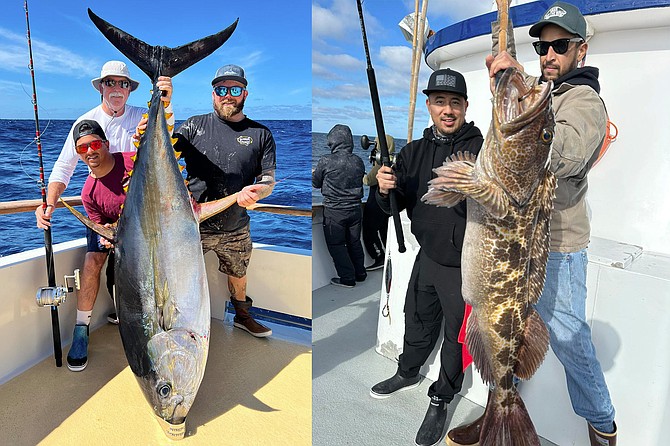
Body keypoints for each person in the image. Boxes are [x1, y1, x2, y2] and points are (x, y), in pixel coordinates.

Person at [446, 3, 617, 446]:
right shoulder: (541, 92)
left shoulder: (584, 101)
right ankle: (497, 414)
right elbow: (514, 125)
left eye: (560, 45)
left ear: (581, 50)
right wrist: (504, 71)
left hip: (556, 246)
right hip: (513, 239)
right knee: (501, 330)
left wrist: (528, 110)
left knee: (567, 338)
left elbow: (569, 152)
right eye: (543, 46)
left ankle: (603, 427)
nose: (548, 54)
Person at [373, 68, 484, 446]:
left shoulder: (481, 150)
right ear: (429, 106)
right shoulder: (413, 152)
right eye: (440, 102)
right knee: (416, 318)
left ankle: (441, 398)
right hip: (427, 258)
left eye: (455, 102)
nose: (447, 110)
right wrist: (383, 187)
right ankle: (407, 371)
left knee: (456, 338)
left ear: (466, 106)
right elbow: (392, 206)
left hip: (466, 266)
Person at [35, 61, 173, 325]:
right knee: (93, 261)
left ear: (130, 90)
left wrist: (164, 102)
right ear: (101, 88)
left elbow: (166, 135)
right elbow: (64, 166)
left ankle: (152, 314)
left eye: (123, 83)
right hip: (103, 204)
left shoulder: (142, 117)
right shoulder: (86, 121)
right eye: (110, 82)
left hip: (142, 206)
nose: (117, 88)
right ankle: (82, 326)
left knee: (154, 261)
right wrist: (49, 203)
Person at [174, 64, 275, 338]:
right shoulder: (194, 126)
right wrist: (162, 103)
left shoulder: (260, 134)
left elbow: (268, 179)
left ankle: (243, 316)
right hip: (192, 225)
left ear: (245, 93)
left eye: (234, 89)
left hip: (236, 225)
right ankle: (178, 323)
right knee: (180, 279)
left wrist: (258, 192)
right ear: (212, 94)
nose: (227, 95)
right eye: (221, 89)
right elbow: (164, 153)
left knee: (239, 276)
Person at [64, 119, 134, 371]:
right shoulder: (88, 193)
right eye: (82, 148)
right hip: (114, 231)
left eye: (94, 144)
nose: (90, 151)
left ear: (105, 144)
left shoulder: (131, 160)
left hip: (142, 229)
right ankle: (81, 330)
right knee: (92, 262)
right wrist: (108, 235)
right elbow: (99, 224)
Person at [312, 124, 367, 288]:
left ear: (332, 141)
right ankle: (360, 273)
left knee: (337, 245)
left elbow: (316, 183)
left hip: (335, 211)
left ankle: (347, 278)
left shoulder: (326, 161)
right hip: (356, 210)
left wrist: (316, 173)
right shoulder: (358, 160)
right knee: (354, 242)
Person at [361, 134, 394, 271]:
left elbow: (369, 180)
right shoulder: (393, 160)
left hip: (376, 202)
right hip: (386, 204)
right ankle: (389, 256)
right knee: (384, 230)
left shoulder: (383, 162)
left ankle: (379, 256)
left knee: (369, 231)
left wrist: (358, 173)